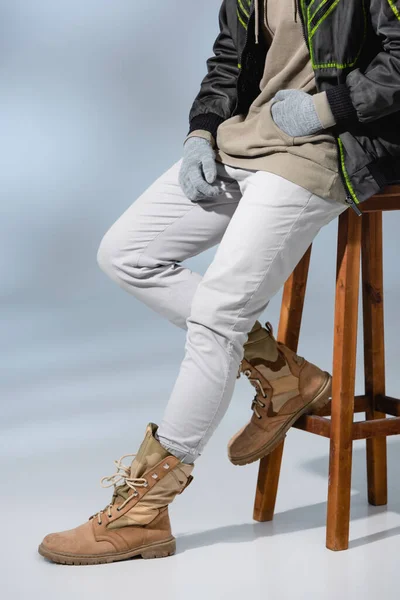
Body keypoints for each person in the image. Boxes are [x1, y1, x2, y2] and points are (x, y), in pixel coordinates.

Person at [38, 0, 400, 565]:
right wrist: (201, 132)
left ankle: (144, 509)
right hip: (247, 141)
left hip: (328, 148)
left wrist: (328, 108)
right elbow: (228, 60)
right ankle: (282, 375)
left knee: (217, 313)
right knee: (126, 252)